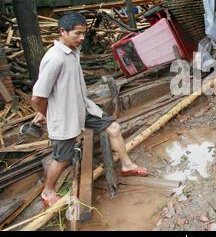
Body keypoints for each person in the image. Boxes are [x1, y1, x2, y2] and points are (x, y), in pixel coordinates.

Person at [32, 11, 150, 207]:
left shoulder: (72, 51)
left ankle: (127, 165)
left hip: (81, 106)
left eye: (84, 33)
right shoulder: (55, 58)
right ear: (63, 31)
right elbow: (38, 96)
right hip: (64, 115)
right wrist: (46, 114)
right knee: (62, 158)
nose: (82, 38)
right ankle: (48, 191)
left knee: (113, 128)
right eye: (77, 34)